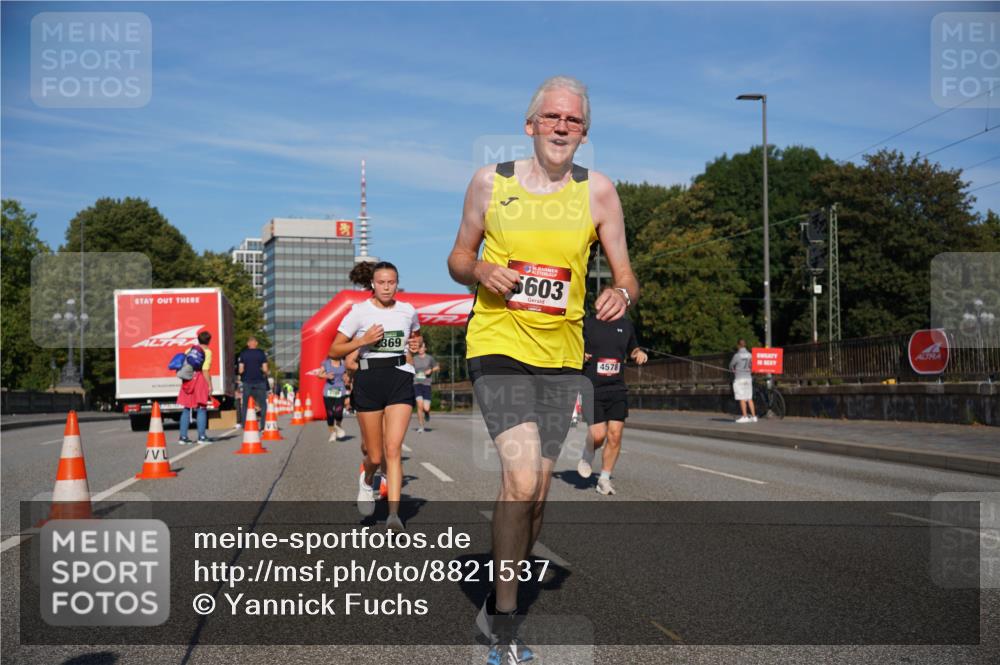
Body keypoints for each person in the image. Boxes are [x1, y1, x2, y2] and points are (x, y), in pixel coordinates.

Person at [447, 76, 638, 663]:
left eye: (573, 121)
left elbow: (626, 273)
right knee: (523, 480)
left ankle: (509, 581)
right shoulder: (489, 182)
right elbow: (457, 256)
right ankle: (502, 620)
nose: (561, 127)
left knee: (535, 498)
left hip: (562, 356)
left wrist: (621, 297)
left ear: (584, 133)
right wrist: (480, 272)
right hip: (499, 343)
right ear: (529, 125)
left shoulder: (599, 193)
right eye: (551, 117)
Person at [329, 261, 421, 531]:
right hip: (369, 380)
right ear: (372, 283)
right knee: (375, 455)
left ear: (397, 282)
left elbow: (415, 338)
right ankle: (368, 479)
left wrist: (416, 344)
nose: (386, 287)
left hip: (400, 379)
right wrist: (362, 340)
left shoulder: (408, 310)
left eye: (391, 282)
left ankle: (394, 516)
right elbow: (335, 350)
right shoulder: (359, 312)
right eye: (381, 282)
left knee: (393, 450)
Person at [577, 314, 648, 495]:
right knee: (598, 435)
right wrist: (579, 354)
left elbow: (632, 349)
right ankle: (588, 450)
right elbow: (570, 344)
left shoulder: (625, 325)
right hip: (592, 387)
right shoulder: (587, 322)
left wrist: (638, 353)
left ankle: (604, 479)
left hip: (617, 388)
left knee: (615, 435)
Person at [177, 331, 214, 444]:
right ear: (209, 340)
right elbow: (205, 370)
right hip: (200, 380)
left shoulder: (189, 350)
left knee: (186, 408)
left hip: (188, 380)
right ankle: (202, 437)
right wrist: (210, 385)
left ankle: (183, 437)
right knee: (201, 408)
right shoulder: (207, 352)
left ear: (198, 339)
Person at [319, 355, 351, 441]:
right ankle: (332, 433)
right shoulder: (326, 363)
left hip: (340, 390)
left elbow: (347, 374)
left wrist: (346, 378)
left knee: (338, 411)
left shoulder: (343, 363)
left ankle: (338, 425)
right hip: (328, 391)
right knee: (330, 413)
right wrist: (327, 376)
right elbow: (319, 374)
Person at [238, 336, 269, 425]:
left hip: (247, 382)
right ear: (256, 343)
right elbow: (265, 369)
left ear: (248, 344)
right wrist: (264, 373)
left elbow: (241, 370)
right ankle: (263, 425)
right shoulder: (261, 353)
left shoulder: (243, 354)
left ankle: (244, 424)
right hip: (260, 381)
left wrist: (243, 374)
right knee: (263, 404)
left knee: (245, 404)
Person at [411, 340, 440, 433]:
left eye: (422, 347)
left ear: (425, 348)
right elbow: (409, 368)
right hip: (417, 383)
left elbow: (437, 367)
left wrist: (430, 370)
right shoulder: (414, 359)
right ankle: (421, 426)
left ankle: (427, 413)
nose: (420, 349)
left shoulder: (429, 358)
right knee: (419, 406)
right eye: (419, 347)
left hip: (426, 384)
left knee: (426, 408)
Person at [729, 339, 757, 423]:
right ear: (745, 345)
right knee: (749, 398)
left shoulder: (737, 355)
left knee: (741, 398)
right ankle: (754, 417)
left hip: (739, 378)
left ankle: (745, 416)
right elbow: (753, 366)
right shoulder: (750, 355)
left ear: (738, 345)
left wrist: (733, 370)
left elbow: (731, 365)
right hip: (748, 378)